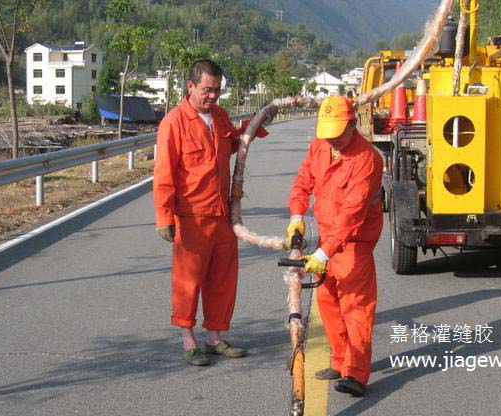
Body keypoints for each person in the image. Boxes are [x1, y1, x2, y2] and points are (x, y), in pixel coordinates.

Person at [153, 58, 265, 367]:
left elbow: (232, 146)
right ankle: (188, 340)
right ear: (190, 86)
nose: (213, 96)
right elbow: (163, 173)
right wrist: (164, 216)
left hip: (222, 214)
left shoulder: (219, 117)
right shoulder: (174, 123)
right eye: (207, 90)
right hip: (191, 217)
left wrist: (257, 122)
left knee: (222, 279)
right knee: (189, 281)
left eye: (217, 90)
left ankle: (215, 337)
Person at [286, 96, 383, 397]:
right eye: (327, 134)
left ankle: (356, 373)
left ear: (353, 125)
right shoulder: (320, 145)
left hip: (353, 241)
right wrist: (297, 215)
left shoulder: (367, 158)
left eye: (338, 134)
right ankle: (340, 361)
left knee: (355, 306)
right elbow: (303, 181)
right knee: (328, 303)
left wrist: (325, 252)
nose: (332, 141)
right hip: (326, 238)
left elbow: (352, 212)